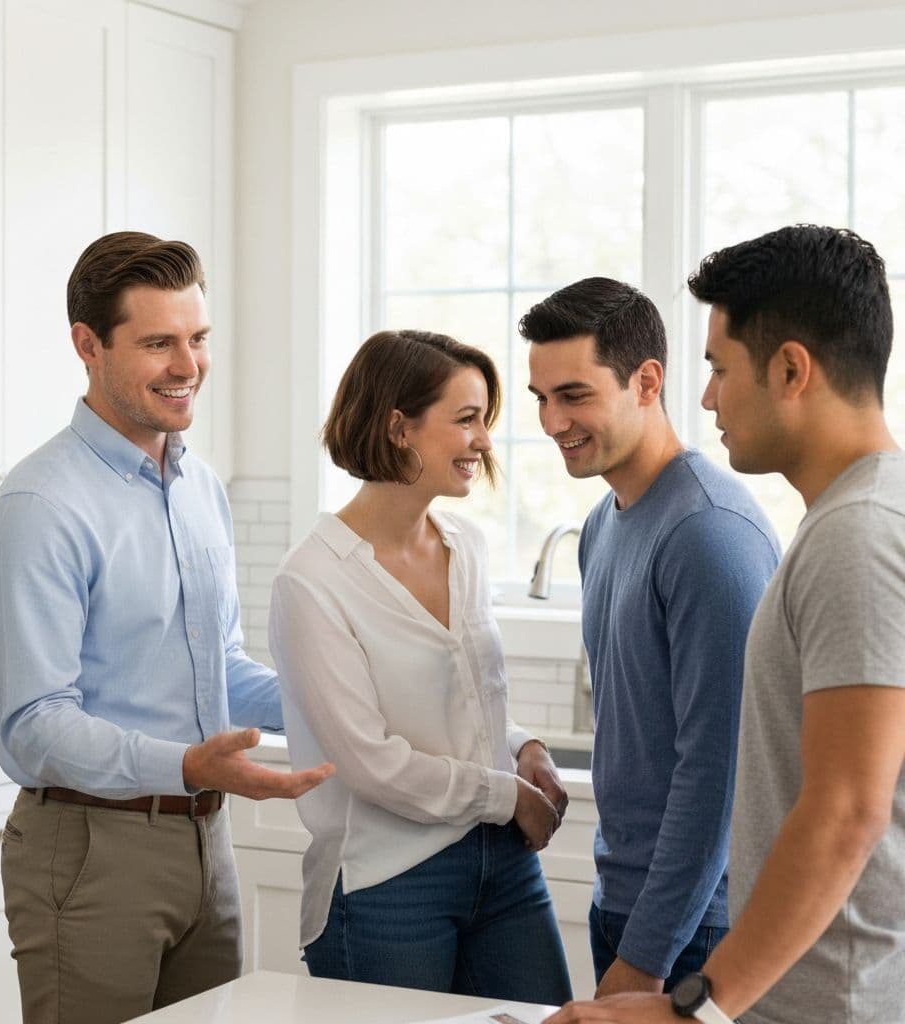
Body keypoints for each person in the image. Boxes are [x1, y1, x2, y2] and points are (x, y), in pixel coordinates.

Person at [0, 231, 333, 1024]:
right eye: (158, 343)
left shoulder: (199, 486)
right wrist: (189, 764)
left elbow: (220, 671)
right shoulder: (40, 509)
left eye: (198, 339)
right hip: (92, 849)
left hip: (208, 843)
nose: (188, 365)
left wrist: (340, 706)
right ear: (87, 345)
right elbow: (34, 726)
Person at [545, 225, 905, 1024]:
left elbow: (847, 808)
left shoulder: (859, 534)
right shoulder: (850, 520)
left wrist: (691, 1009)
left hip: (830, 998)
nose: (706, 396)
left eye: (717, 368)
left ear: (789, 370)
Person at [267, 329, 573, 1004]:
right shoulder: (312, 580)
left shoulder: (465, 546)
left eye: (485, 421)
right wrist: (509, 796)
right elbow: (371, 762)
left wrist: (525, 746)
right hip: (387, 882)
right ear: (398, 427)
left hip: (502, 866)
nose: (485, 441)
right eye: (467, 419)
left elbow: (468, 699)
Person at [520, 279, 780, 999]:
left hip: (698, 927)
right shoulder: (604, 524)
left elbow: (716, 776)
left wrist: (646, 953)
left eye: (573, 395)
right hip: (628, 903)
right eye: (541, 398)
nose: (551, 421)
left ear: (647, 381)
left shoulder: (708, 534)